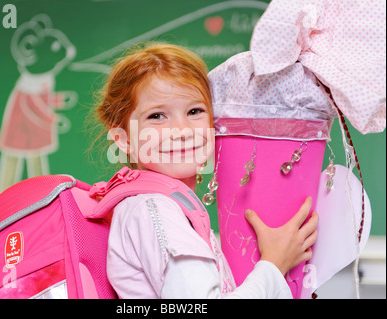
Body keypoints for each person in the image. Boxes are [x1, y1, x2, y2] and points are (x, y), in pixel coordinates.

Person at [93, 42, 318, 298]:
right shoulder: (154, 210)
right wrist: (275, 263)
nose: (182, 130)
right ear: (123, 139)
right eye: (156, 116)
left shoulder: (170, 206)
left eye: (194, 111)